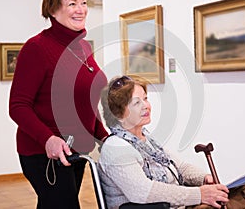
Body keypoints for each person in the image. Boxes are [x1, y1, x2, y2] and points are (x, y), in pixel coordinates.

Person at [9, 0, 108, 209]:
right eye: (72, 3)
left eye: (84, 2)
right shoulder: (37, 48)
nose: (81, 9)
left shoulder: (83, 47)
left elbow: (86, 99)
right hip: (44, 152)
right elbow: (18, 106)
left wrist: (103, 135)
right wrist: (48, 139)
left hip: (76, 149)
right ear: (53, 9)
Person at [98, 76, 229, 209]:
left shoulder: (146, 139)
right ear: (119, 114)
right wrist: (199, 194)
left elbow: (180, 167)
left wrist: (204, 178)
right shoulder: (115, 148)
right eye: (137, 103)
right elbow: (144, 193)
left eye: (145, 99)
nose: (146, 106)